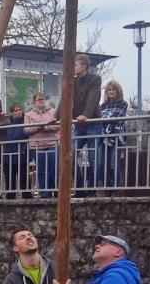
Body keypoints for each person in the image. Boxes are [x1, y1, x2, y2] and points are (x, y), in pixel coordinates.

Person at [59, 53, 102, 196]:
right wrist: (55, 116)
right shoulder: (72, 81)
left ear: (84, 66)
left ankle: (91, 190)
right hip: (79, 124)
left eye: (75, 65)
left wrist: (86, 115)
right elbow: (65, 99)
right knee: (68, 156)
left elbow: (93, 98)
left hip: (92, 123)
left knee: (92, 158)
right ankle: (79, 188)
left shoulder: (95, 79)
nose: (73, 68)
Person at [24, 91, 60, 198]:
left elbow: (59, 126)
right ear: (34, 102)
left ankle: (55, 192)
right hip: (37, 146)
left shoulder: (53, 112)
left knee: (53, 170)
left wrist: (47, 127)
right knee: (41, 171)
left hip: (52, 144)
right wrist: (39, 127)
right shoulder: (28, 114)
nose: (41, 101)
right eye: (38, 100)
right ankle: (44, 194)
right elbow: (26, 130)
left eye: (42, 99)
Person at [98, 80, 129, 193]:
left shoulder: (123, 103)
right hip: (103, 137)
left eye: (113, 90)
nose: (111, 92)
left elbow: (117, 117)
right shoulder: (103, 105)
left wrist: (104, 119)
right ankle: (108, 187)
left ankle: (116, 189)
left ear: (118, 91)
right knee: (101, 164)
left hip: (116, 137)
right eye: (109, 90)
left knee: (113, 163)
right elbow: (99, 119)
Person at [2, 102, 29, 199]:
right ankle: (10, 197)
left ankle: (27, 197)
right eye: (16, 110)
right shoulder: (7, 121)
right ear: (12, 112)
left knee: (24, 177)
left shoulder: (25, 121)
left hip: (21, 152)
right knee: (9, 178)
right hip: (8, 154)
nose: (18, 112)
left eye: (19, 110)